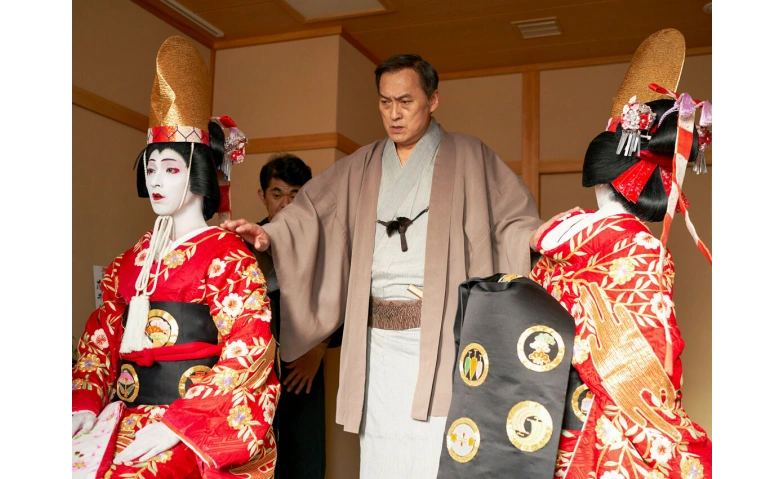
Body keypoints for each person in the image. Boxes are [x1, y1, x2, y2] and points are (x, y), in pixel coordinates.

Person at [222, 53, 543, 478]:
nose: (394, 114)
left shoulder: (470, 156)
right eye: (385, 102)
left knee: (436, 452)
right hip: (375, 343)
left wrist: (539, 237)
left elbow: (511, 221)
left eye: (405, 102)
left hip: (440, 337)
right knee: (380, 454)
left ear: (433, 100)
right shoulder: (362, 165)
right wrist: (271, 237)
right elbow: (311, 215)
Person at [71, 36, 279, 478]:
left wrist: (180, 424)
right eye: (150, 169)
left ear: (199, 173)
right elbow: (102, 339)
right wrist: (85, 402)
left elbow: (249, 347)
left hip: (188, 422)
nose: (156, 181)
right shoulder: (130, 261)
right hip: (122, 413)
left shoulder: (228, 258)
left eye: (170, 169)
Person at [527, 29, 713, 479]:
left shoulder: (557, 239)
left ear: (601, 176)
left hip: (549, 422)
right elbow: (657, 350)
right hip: (616, 433)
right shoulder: (641, 248)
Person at [252, 153, 341, 479]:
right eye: (277, 194)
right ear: (262, 196)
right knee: (257, 447)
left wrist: (318, 350)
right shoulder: (248, 241)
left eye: (295, 194)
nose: (286, 204)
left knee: (304, 450)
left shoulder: (324, 242)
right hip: (254, 364)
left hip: (303, 364)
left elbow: (341, 297)